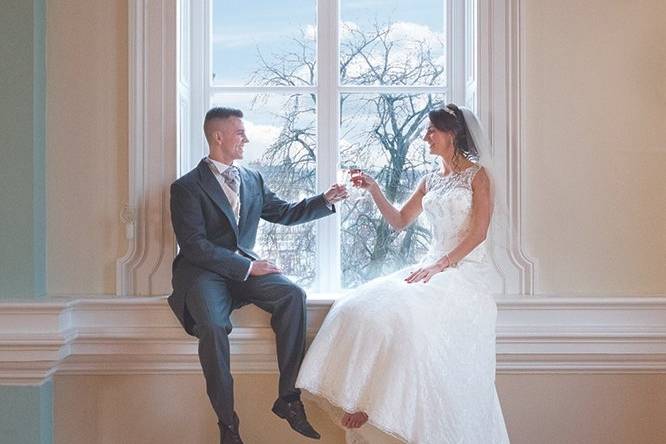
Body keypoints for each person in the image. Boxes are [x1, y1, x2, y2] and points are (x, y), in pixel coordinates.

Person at [296, 104, 510, 443]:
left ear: (452, 133)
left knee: (407, 321)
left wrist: (441, 265)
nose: (425, 136)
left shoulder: (477, 176)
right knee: (357, 307)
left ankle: (379, 406)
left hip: (462, 270)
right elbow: (398, 221)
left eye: (432, 131)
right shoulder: (430, 180)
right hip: (429, 266)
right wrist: (374, 189)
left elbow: (479, 232)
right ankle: (364, 399)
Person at [168, 107, 348, 444]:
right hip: (204, 274)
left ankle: (288, 398)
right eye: (240, 132)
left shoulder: (252, 179)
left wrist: (324, 200)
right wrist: (248, 267)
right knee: (213, 325)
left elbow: (284, 213)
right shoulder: (187, 187)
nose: (246, 139)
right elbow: (193, 246)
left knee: (292, 295)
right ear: (218, 136)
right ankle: (228, 424)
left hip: (244, 271)